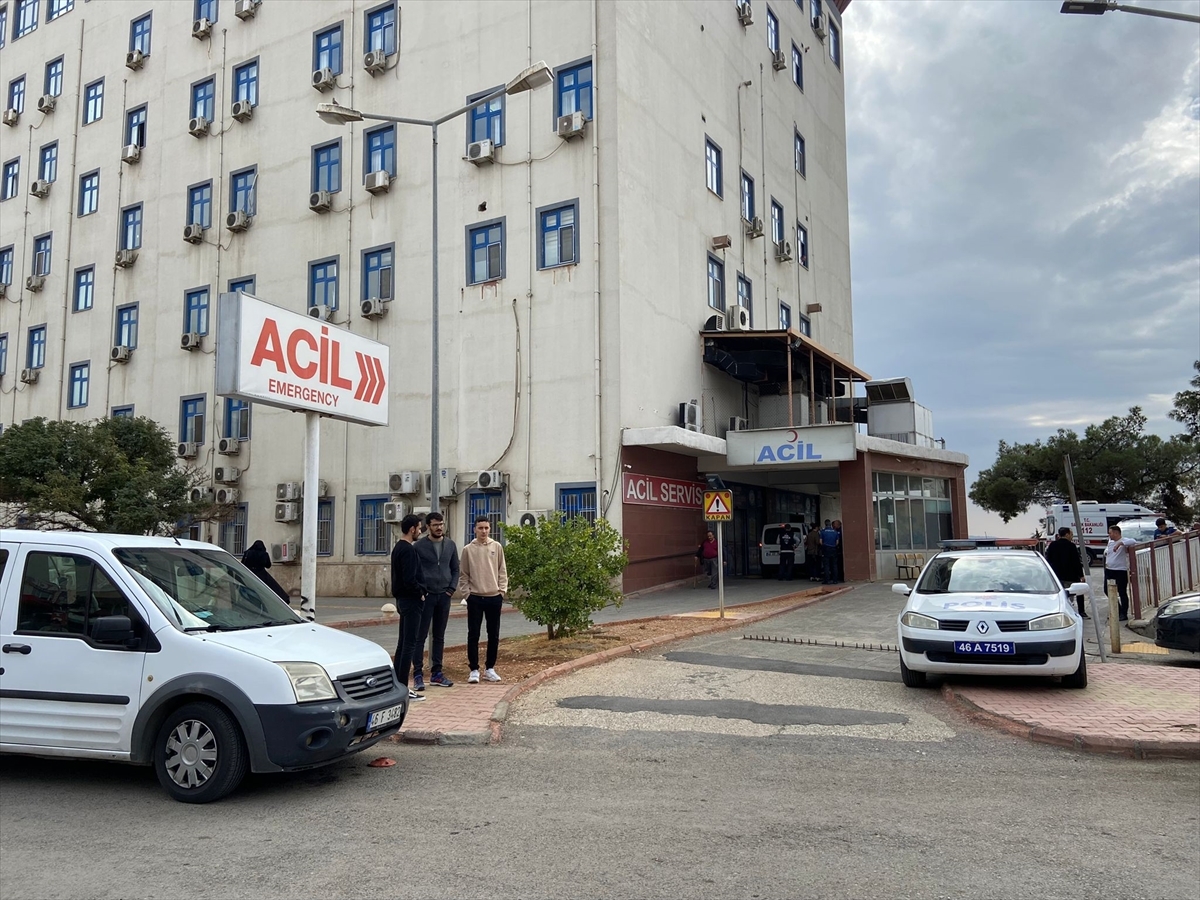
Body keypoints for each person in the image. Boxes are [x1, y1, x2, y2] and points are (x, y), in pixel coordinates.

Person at [412, 512, 459, 690]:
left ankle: (437, 673)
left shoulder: (450, 545)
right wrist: (421, 591)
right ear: (428, 527)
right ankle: (417, 674)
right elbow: (415, 571)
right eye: (435, 525)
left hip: (444, 596)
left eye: (441, 524)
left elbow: (455, 568)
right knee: (420, 636)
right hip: (427, 596)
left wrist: (451, 589)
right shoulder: (419, 547)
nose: (439, 527)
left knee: (439, 636)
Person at [459, 516, 508, 683]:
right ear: (475, 529)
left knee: (493, 634)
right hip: (475, 598)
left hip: (494, 597)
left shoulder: (497, 546)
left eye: (486, 528)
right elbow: (463, 575)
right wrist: (467, 594)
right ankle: (474, 669)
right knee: (473, 634)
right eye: (480, 528)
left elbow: (502, 570)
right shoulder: (468, 549)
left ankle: (490, 668)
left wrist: (502, 591)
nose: (484, 531)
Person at [390, 514, 428, 701]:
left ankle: (397, 686)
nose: (420, 531)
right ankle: (403, 688)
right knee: (409, 645)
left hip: (403, 600)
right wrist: (420, 593)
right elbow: (409, 579)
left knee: (402, 644)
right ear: (412, 528)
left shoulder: (398, 548)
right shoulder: (407, 550)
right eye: (419, 528)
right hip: (411, 601)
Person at [1045, 527, 1087, 617]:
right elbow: (1076, 562)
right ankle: (1081, 611)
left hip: (1057, 575)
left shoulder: (1052, 545)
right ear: (1067, 534)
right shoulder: (1071, 546)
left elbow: (1048, 560)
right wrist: (1081, 575)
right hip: (1070, 575)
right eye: (1071, 534)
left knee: (1059, 594)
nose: (1072, 536)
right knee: (1079, 592)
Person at [1103, 524, 1137, 622]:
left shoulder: (1124, 541)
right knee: (1107, 590)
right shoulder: (1110, 542)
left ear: (1116, 533)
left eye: (1110, 533)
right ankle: (1116, 609)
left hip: (1120, 570)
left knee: (1122, 591)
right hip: (1109, 569)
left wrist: (1120, 543)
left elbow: (1133, 541)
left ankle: (1124, 613)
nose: (1109, 535)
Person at [241, 540, 290, 605]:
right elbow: (268, 565)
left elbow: (243, 564)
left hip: (249, 574)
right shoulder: (264, 554)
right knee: (272, 587)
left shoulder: (247, 553)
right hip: (261, 574)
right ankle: (282, 600)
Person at [819, 519, 840, 585]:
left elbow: (820, 542)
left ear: (825, 524)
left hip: (826, 549)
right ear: (830, 524)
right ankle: (835, 580)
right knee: (834, 565)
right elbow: (837, 542)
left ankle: (827, 580)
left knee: (826, 565)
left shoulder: (823, 532)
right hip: (833, 549)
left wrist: (824, 546)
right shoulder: (835, 532)